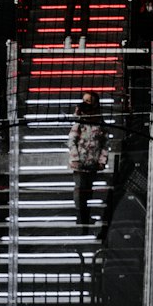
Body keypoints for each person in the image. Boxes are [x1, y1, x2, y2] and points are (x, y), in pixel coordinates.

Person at [68, 91, 108, 230]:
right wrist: (75, 158)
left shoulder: (100, 121)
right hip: (80, 163)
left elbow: (104, 142)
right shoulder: (79, 120)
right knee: (80, 191)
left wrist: (102, 160)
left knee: (88, 191)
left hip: (93, 163)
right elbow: (71, 140)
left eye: (88, 101)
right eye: (84, 100)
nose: (85, 103)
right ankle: (81, 219)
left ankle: (85, 218)